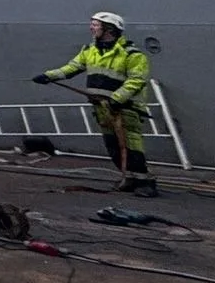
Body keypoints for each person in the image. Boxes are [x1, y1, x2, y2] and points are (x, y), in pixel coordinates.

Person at [34, 12, 156, 196]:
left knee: (132, 146)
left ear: (109, 29)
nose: (91, 28)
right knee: (113, 146)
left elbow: (136, 81)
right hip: (103, 109)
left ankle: (146, 183)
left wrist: (117, 98)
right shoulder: (90, 51)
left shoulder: (132, 55)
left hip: (125, 109)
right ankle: (129, 178)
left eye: (95, 25)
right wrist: (48, 76)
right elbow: (72, 68)